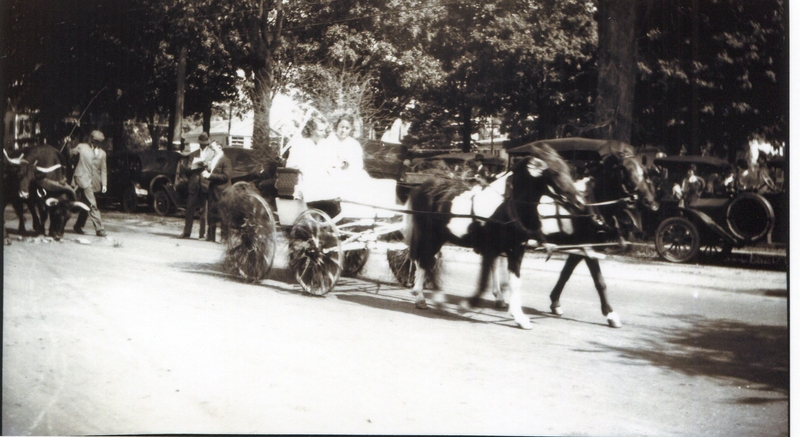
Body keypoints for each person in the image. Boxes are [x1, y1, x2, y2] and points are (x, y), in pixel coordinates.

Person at [70, 129, 108, 237]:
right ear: (91, 139)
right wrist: (69, 144)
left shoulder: (102, 154)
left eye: (99, 141)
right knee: (92, 204)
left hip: (94, 182)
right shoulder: (82, 147)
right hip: (81, 178)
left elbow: (104, 170)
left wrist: (104, 184)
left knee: (86, 205)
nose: (96, 143)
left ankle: (78, 225)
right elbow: (70, 154)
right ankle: (100, 229)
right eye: (95, 140)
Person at [179, 132, 215, 239]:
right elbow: (188, 167)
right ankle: (186, 232)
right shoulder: (193, 154)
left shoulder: (212, 154)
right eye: (201, 143)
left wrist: (206, 165)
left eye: (204, 143)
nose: (202, 145)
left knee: (204, 210)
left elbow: (213, 168)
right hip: (194, 183)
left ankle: (202, 234)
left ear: (207, 143)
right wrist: (194, 166)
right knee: (190, 208)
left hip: (205, 183)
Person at [202, 140, 232, 242]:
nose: (212, 151)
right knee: (211, 213)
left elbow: (226, 176)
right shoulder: (214, 159)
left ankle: (224, 238)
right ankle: (210, 236)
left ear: (220, 147)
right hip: (212, 190)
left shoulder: (226, 160)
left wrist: (210, 175)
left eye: (213, 149)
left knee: (223, 214)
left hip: (223, 191)